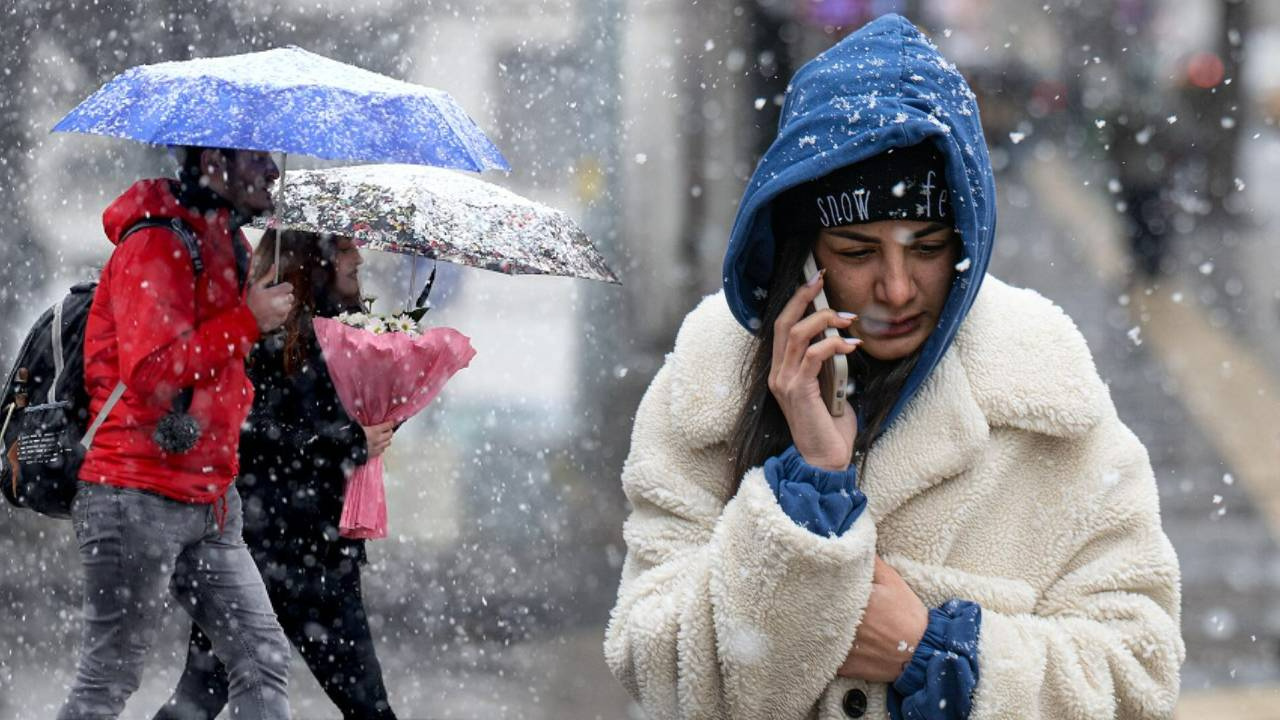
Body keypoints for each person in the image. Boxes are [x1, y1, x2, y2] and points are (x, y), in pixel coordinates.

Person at [603, 15, 1183, 720]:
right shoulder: (708, 388)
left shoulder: (1045, 393)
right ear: (805, 249)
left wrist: (935, 654)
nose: (898, 289)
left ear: (966, 238)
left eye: (929, 246)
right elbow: (662, 673)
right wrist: (807, 491)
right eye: (856, 252)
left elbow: (1140, 676)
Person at [61, 146, 296, 720]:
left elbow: (222, 360)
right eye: (255, 157)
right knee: (108, 681)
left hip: (212, 498)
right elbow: (151, 372)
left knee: (263, 664)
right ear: (214, 161)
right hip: (134, 492)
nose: (273, 169)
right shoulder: (157, 243)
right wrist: (248, 321)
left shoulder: (228, 243)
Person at [154, 230, 399, 720]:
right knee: (199, 698)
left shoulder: (348, 335)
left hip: (319, 552)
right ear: (316, 261)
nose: (358, 258)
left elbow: (335, 429)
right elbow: (249, 433)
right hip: (263, 552)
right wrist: (347, 440)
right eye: (346, 248)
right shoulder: (262, 336)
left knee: (366, 708)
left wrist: (388, 408)